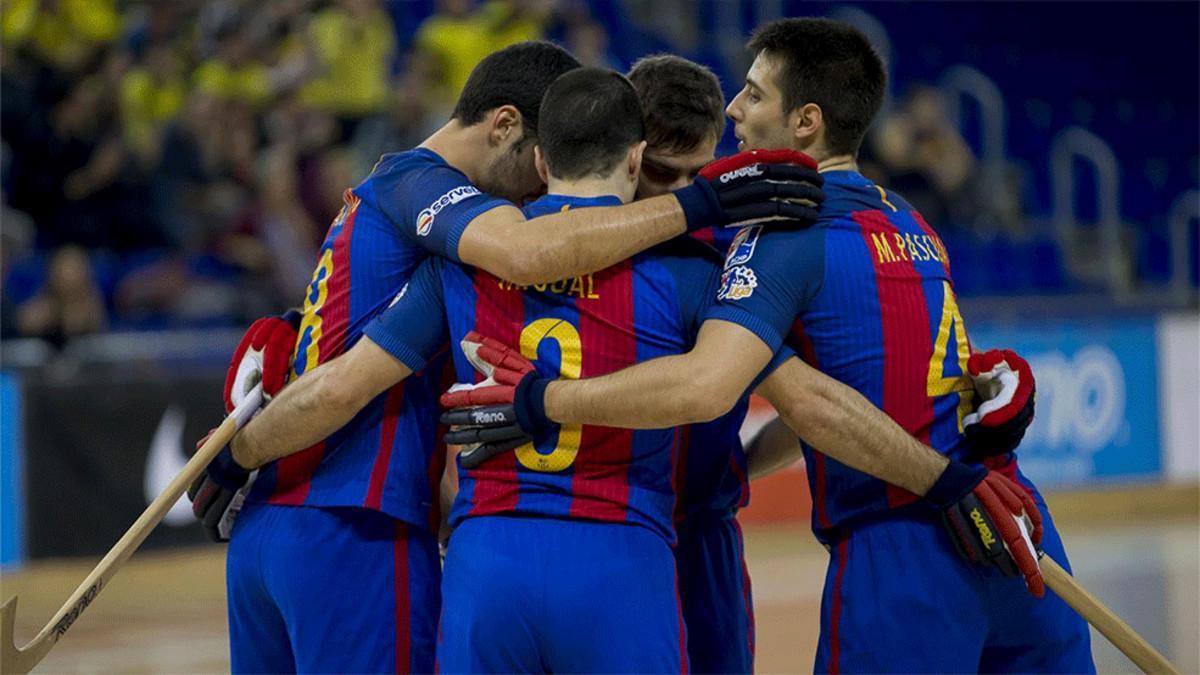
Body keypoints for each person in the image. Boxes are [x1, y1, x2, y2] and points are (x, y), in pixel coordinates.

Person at [443, 18, 1094, 673]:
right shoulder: (908, 219)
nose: (736, 108)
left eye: (753, 95)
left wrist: (545, 399)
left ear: (806, 121)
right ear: (632, 156)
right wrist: (995, 389)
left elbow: (766, 393)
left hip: (898, 535)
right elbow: (856, 387)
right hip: (1008, 511)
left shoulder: (762, 238)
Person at [188, 40, 824, 673]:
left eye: (696, 176)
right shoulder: (482, 228)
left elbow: (362, 371)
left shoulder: (448, 264)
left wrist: (240, 449)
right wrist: (703, 204)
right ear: (631, 158)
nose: (676, 199)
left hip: (478, 548)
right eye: (664, 175)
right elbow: (531, 256)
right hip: (590, 545)